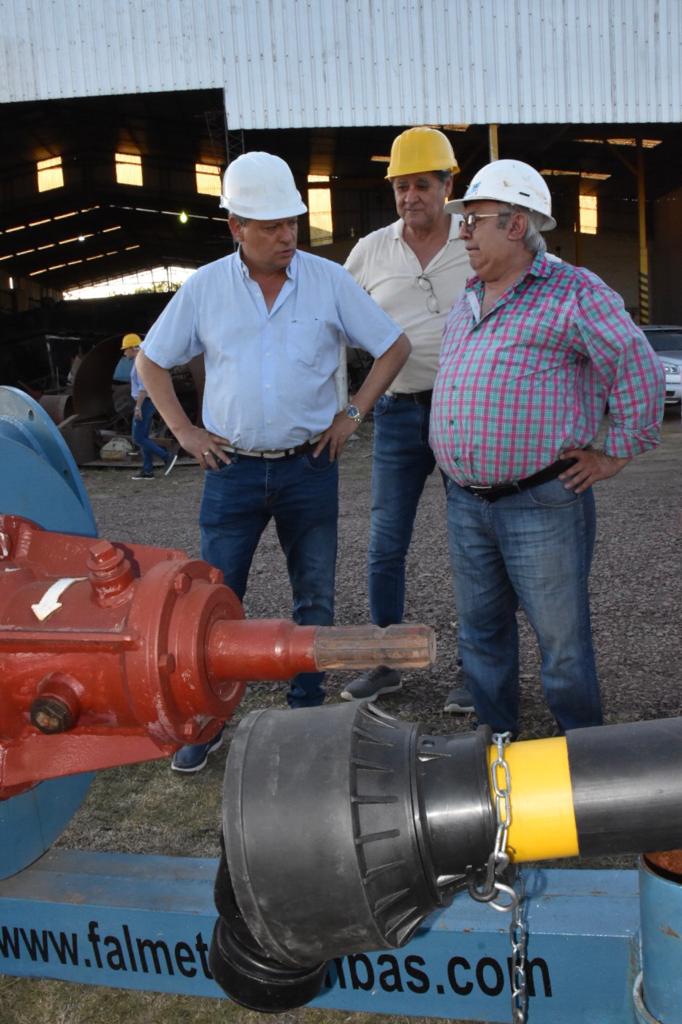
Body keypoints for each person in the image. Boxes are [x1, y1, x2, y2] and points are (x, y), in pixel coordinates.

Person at [137, 151, 410, 773]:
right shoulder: (206, 287)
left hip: (308, 466)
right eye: (270, 226)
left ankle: (308, 713)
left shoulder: (328, 280)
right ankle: (206, 720)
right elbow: (152, 361)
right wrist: (183, 430)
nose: (287, 235)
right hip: (230, 470)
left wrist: (355, 414)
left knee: (313, 597)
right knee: (211, 601)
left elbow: (394, 344)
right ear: (235, 226)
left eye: (292, 221)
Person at [430, 159, 665, 738]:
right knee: (480, 631)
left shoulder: (573, 292)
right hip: (467, 500)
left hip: (541, 501)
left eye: (474, 220)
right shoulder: (468, 296)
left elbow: (637, 367)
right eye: (464, 222)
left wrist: (616, 453)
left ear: (515, 226)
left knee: (561, 640)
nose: (463, 232)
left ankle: (584, 755)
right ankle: (495, 743)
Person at [341, 126, 473, 712]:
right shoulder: (369, 253)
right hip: (396, 415)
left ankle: (478, 669)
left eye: (422, 184)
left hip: (467, 412)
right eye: (401, 185)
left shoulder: (474, 242)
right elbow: (331, 323)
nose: (410, 196)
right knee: (385, 543)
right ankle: (387, 661)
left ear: (449, 185)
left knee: (473, 542)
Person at [121, 333, 177, 480]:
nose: (124, 352)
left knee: (138, 437)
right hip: (147, 402)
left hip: (144, 402)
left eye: (125, 349)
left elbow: (143, 388)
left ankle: (167, 457)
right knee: (143, 436)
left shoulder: (140, 363)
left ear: (133, 348)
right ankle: (147, 470)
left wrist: (138, 407)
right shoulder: (141, 361)